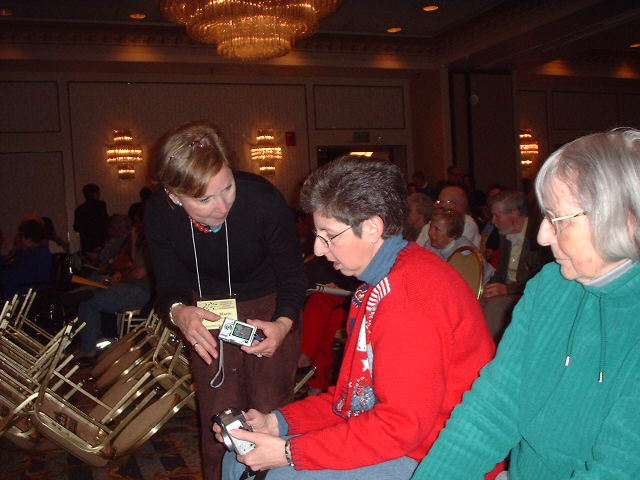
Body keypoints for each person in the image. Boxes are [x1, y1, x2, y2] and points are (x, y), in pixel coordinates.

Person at [217, 155, 496, 479]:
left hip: (441, 457)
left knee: (281, 474)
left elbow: (400, 427)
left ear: (373, 228)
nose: (319, 249)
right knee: (237, 459)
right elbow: (353, 399)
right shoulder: (382, 283)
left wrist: (290, 452)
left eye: (329, 235)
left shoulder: (408, 297)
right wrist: (276, 422)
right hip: (409, 438)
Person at [412, 128, 640, 480]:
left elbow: (619, 467)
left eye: (559, 220)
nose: (543, 236)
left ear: (625, 218)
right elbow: (494, 407)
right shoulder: (550, 286)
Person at [144, 121, 306, 480]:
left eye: (227, 187)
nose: (222, 206)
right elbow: (168, 284)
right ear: (173, 194)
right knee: (220, 421)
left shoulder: (262, 199)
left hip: (270, 309)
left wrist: (283, 323)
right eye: (204, 199)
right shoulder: (159, 213)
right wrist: (179, 313)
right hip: (206, 315)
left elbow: (294, 276)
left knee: (268, 413)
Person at [481, 190, 552, 340]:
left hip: (526, 293)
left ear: (514, 214)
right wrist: (489, 288)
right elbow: (501, 273)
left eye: (497, 215)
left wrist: (507, 289)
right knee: (478, 300)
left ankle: (493, 353)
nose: (493, 221)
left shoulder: (537, 236)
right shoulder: (506, 234)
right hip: (508, 290)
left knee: (495, 306)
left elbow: (539, 278)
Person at [0, 216, 53, 302]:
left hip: (22, 300)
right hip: (36, 298)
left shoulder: (29, 258)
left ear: (27, 239)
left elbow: (11, 278)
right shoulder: (46, 255)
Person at [73, 183, 109, 255]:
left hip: (86, 242)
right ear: (94, 194)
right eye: (98, 193)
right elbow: (105, 221)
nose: (99, 195)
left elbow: (76, 227)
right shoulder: (100, 205)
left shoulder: (79, 209)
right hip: (101, 239)